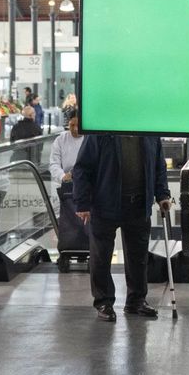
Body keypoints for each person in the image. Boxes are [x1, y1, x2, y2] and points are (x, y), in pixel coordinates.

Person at [72, 133, 171, 322]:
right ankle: (104, 301)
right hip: (105, 203)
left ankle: (136, 300)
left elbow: (159, 167)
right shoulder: (102, 132)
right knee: (101, 256)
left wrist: (163, 195)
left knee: (138, 256)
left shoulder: (149, 133)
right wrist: (82, 203)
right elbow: (82, 168)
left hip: (139, 204)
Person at [49, 106, 85, 186]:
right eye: (72, 125)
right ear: (68, 123)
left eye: (78, 125)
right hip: (67, 182)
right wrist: (63, 176)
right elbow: (54, 163)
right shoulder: (60, 140)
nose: (75, 129)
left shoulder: (90, 140)